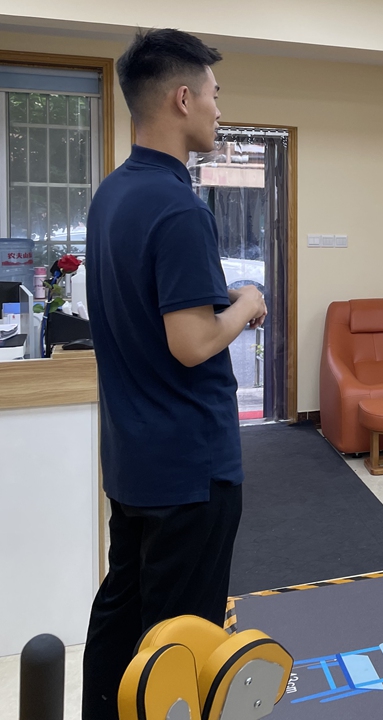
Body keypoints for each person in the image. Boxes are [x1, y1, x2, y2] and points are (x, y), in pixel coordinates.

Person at [82, 29, 267, 720]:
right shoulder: (178, 206)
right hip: (190, 469)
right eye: (215, 95)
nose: (220, 109)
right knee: (178, 643)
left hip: (132, 462)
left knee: (122, 614)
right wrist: (245, 304)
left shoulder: (111, 197)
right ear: (182, 98)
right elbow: (191, 342)